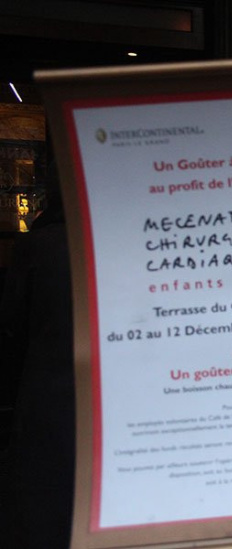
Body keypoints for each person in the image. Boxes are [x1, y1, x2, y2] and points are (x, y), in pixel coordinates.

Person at [0, 161, 75, 548]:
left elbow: (13, 319)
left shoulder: (38, 245)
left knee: (47, 494)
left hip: (49, 386)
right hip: (109, 385)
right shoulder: (121, 237)